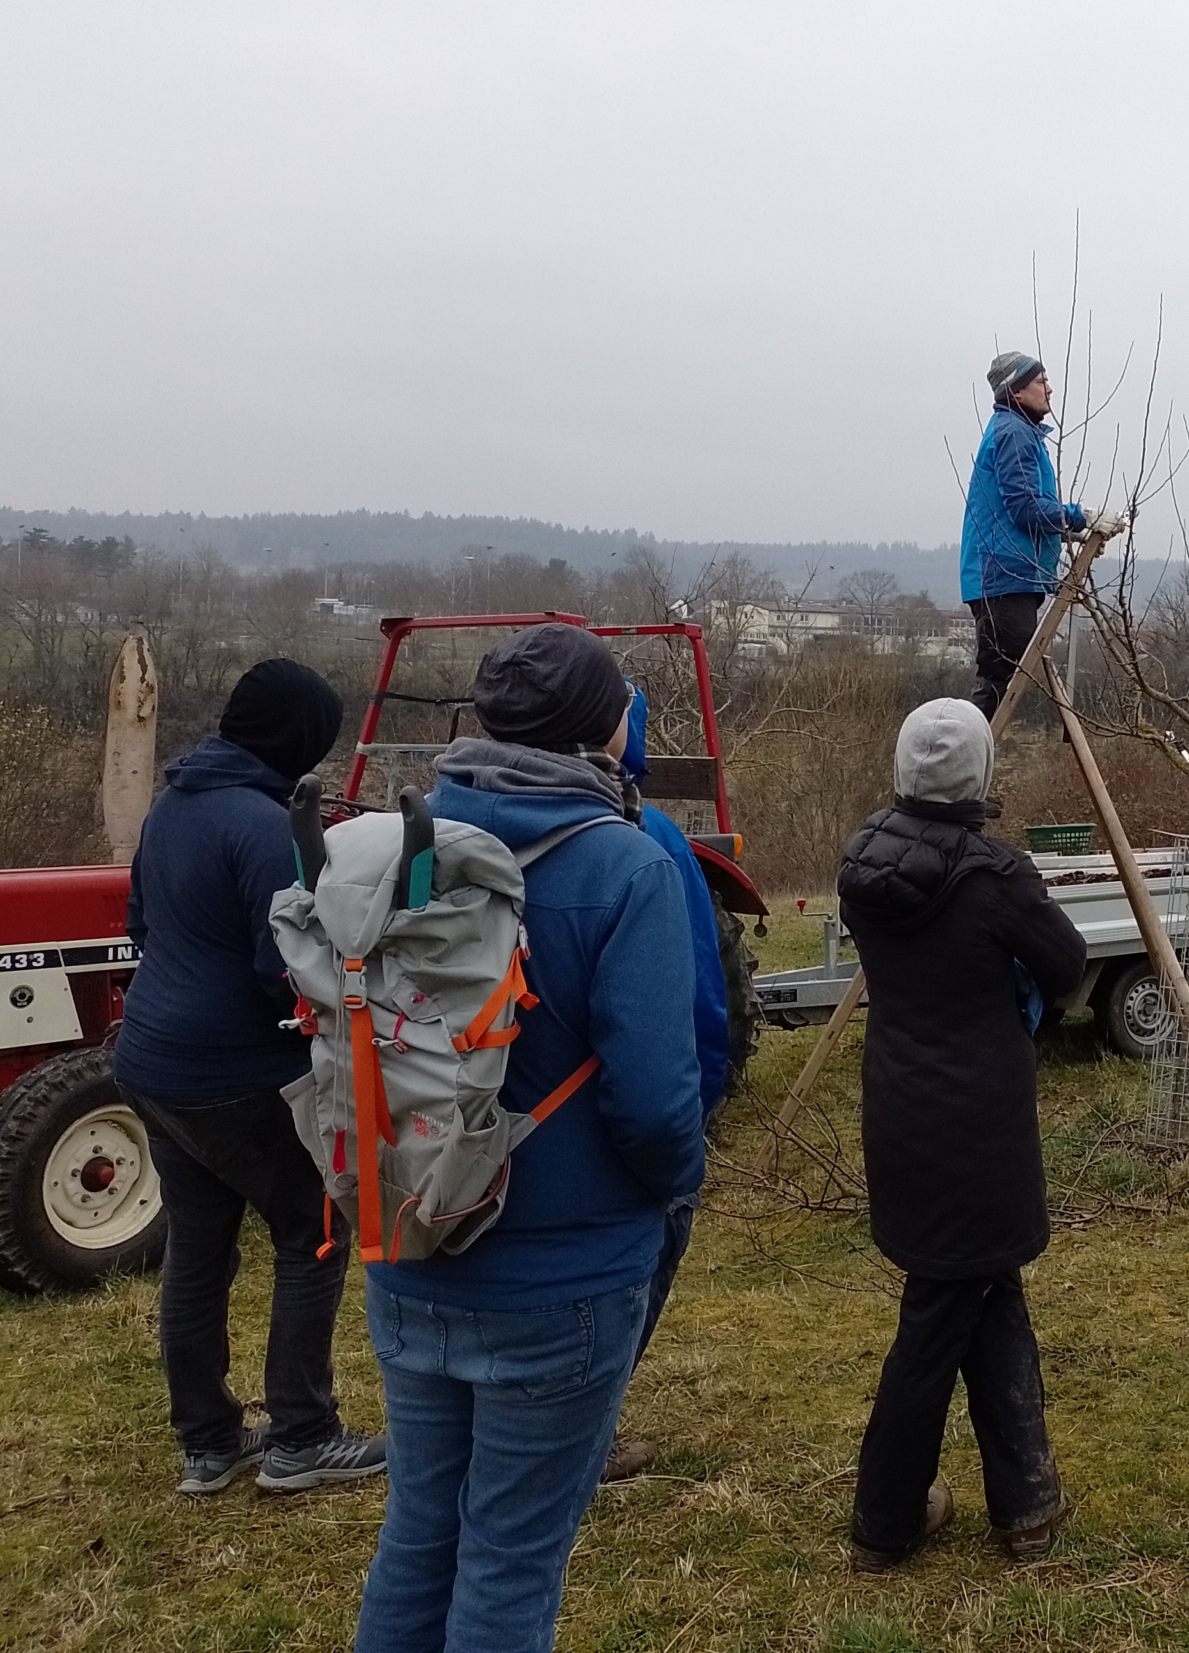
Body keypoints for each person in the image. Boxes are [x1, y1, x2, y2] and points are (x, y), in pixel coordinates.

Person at [353, 623, 705, 1653]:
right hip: (564, 1271)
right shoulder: (625, 867)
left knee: (418, 1532)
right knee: (510, 1556)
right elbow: (654, 1100)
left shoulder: (394, 843)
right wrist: (672, 1191)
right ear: (604, 727)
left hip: (408, 1239)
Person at [114, 658, 390, 1498]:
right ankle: (302, 1436)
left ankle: (208, 1444)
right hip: (236, 1076)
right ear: (298, 738)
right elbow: (290, 968)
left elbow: (139, 924)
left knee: (198, 1252)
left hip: (150, 1066)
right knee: (314, 1232)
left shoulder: (175, 806)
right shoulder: (262, 826)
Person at [839, 698, 1088, 1571]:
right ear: (979, 775)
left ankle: (1029, 1506)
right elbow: (1066, 968)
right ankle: (884, 1522)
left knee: (983, 1288)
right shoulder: (996, 876)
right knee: (940, 1313)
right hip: (981, 1121)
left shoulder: (862, 864)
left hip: (900, 1107)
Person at [601, 684, 734, 1483]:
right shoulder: (649, 842)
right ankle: (590, 1428)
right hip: (626, 1125)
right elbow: (699, 1002)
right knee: (639, 1265)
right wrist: (696, 1113)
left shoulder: (450, 830)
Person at [958, 351, 1115, 717]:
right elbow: (1027, 509)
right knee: (998, 683)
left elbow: (1016, 512)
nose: (1050, 389)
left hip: (1010, 574)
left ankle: (964, 759)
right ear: (1016, 391)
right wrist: (1082, 518)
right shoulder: (1015, 435)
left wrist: (1067, 534)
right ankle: (958, 761)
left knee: (1003, 681)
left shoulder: (1019, 432)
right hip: (1005, 576)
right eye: (1041, 381)